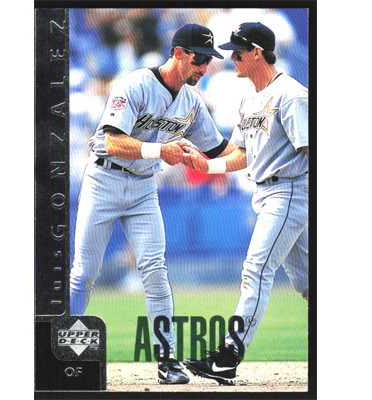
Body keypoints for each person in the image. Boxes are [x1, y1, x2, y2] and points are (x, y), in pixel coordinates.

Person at [69, 23, 236, 385]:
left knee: (155, 271)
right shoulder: (136, 84)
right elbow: (111, 141)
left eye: (208, 60)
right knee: (84, 273)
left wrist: (262, 149)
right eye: (199, 58)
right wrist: (161, 150)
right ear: (178, 53)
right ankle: (63, 352)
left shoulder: (191, 101)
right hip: (104, 179)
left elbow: (219, 149)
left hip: (144, 186)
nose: (204, 66)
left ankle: (167, 361)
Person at [182, 22, 309, 386]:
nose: (232, 57)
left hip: (290, 190)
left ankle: (226, 360)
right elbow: (242, 154)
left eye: (238, 51)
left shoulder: (291, 94)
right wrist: (207, 165)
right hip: (267, 192)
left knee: (255, 270)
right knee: (307, 282)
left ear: (257, 52)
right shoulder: (250, 98)